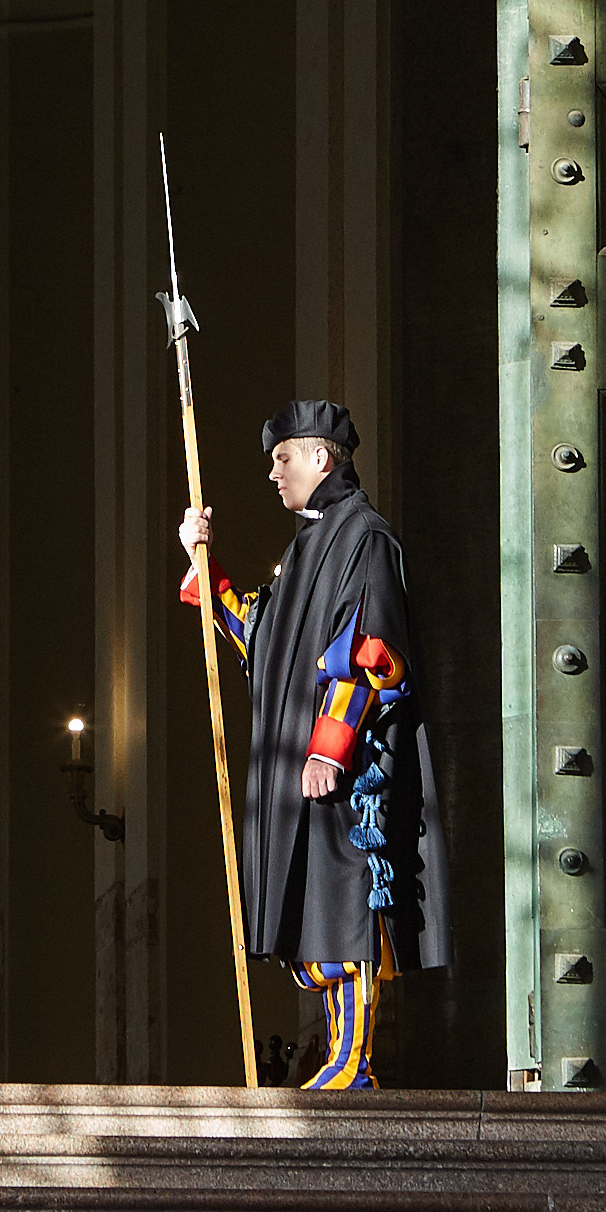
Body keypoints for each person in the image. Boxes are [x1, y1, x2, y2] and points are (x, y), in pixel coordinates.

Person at [179, 399, 450, 1092]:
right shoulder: (308, 545)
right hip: (298, 764)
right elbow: (266, 642)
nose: (272, 474)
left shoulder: (361, 536)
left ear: (320, 457)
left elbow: (367, 649)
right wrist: (204, 569)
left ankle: (352, 1061)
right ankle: (339, 1054)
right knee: (311, 909)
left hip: (345, 765)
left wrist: (329, 748)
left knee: (343, 904)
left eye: (282, 458)